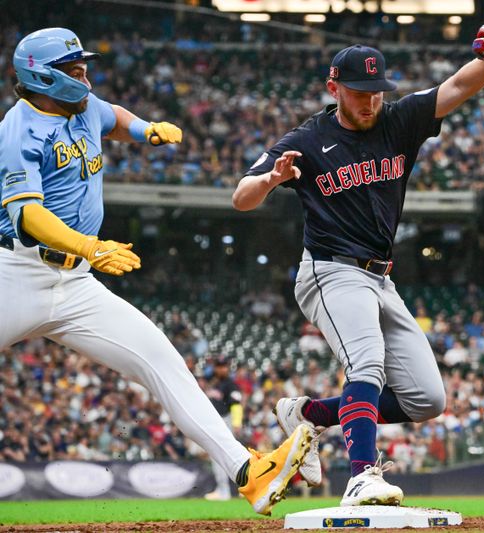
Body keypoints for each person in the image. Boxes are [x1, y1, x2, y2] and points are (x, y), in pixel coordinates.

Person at [0, 28, 311, 515]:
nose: (84, 73)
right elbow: (28, 215)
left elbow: (113, 118)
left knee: (161, 360)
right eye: (72, 67)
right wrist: (91, 246)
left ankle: (248, 474)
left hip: (77, 282)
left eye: (84, 64)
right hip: (15, 273)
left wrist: (145, 129)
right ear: (40, 74)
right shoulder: (18, 129)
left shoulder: (84, 107)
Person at [233, 16, 484, 506]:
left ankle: (310, 415)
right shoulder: (306, 140)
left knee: (426, 400)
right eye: (358, 91)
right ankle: (361, 475)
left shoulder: (397, 120)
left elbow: (457, 85)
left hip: (380, 278)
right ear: (334, 87)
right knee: (366, 363)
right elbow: (241, 197)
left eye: (376, 91)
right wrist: (269, 181)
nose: (370, 100)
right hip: (330, 271)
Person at [203, 356, 243, 501]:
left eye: (224, 366)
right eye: (219, 366)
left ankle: (234, 489)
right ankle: (223, 489)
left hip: (226, 420)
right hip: (215, 422)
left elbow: (236, 404)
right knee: (218, 457)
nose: (222, 368)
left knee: (228, 455)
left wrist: (237, 423)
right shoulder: (214, 384)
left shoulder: (231, 385)